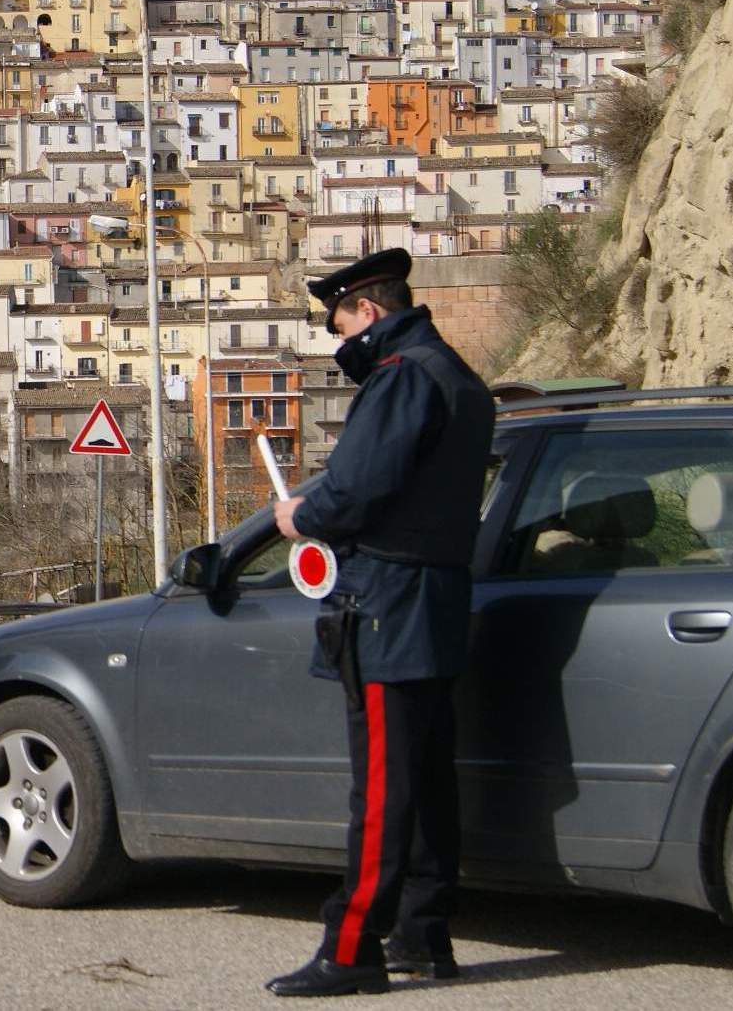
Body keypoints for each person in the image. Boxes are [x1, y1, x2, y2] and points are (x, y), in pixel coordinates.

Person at [265, 248, 495, 998]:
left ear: (367, 311)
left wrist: (301, 516)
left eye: (339, 326)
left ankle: (352, 947)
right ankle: (424, 935)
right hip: (437, 595)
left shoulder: (401, 377)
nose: (339, 341)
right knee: (425, 779)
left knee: (382, 789)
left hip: (387, 604)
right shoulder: (455, 376)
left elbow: (358, 489)